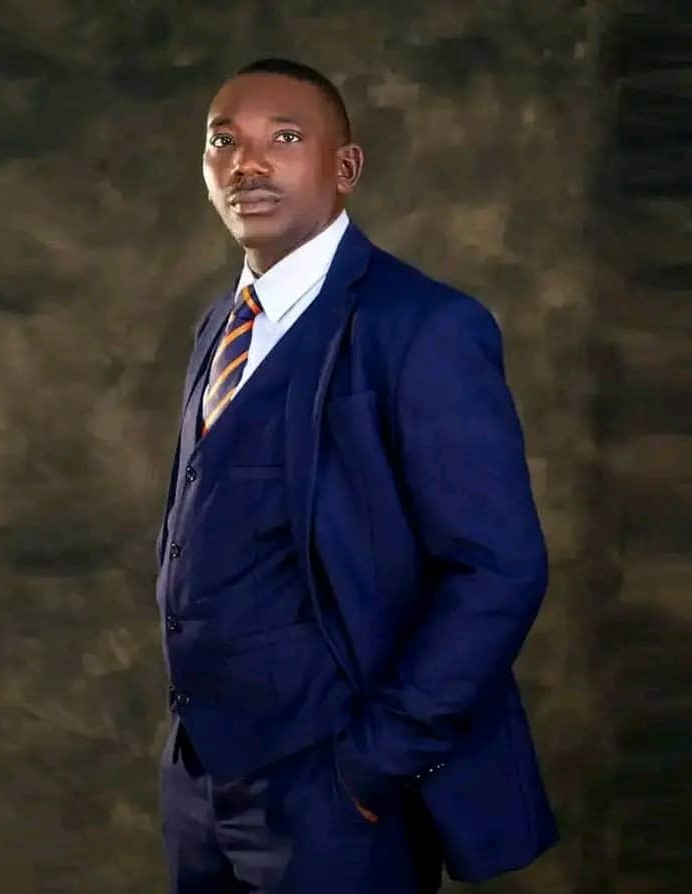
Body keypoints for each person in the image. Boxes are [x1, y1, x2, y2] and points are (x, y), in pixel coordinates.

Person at [155, 57, 559, 894]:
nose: (246, 164)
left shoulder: (424, 326)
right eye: (223, 142)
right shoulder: (219, 324)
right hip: (201, 783)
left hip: (335, 793)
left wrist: (375, 763)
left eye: (284, 138)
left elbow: (498, 569)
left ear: (344, 168)